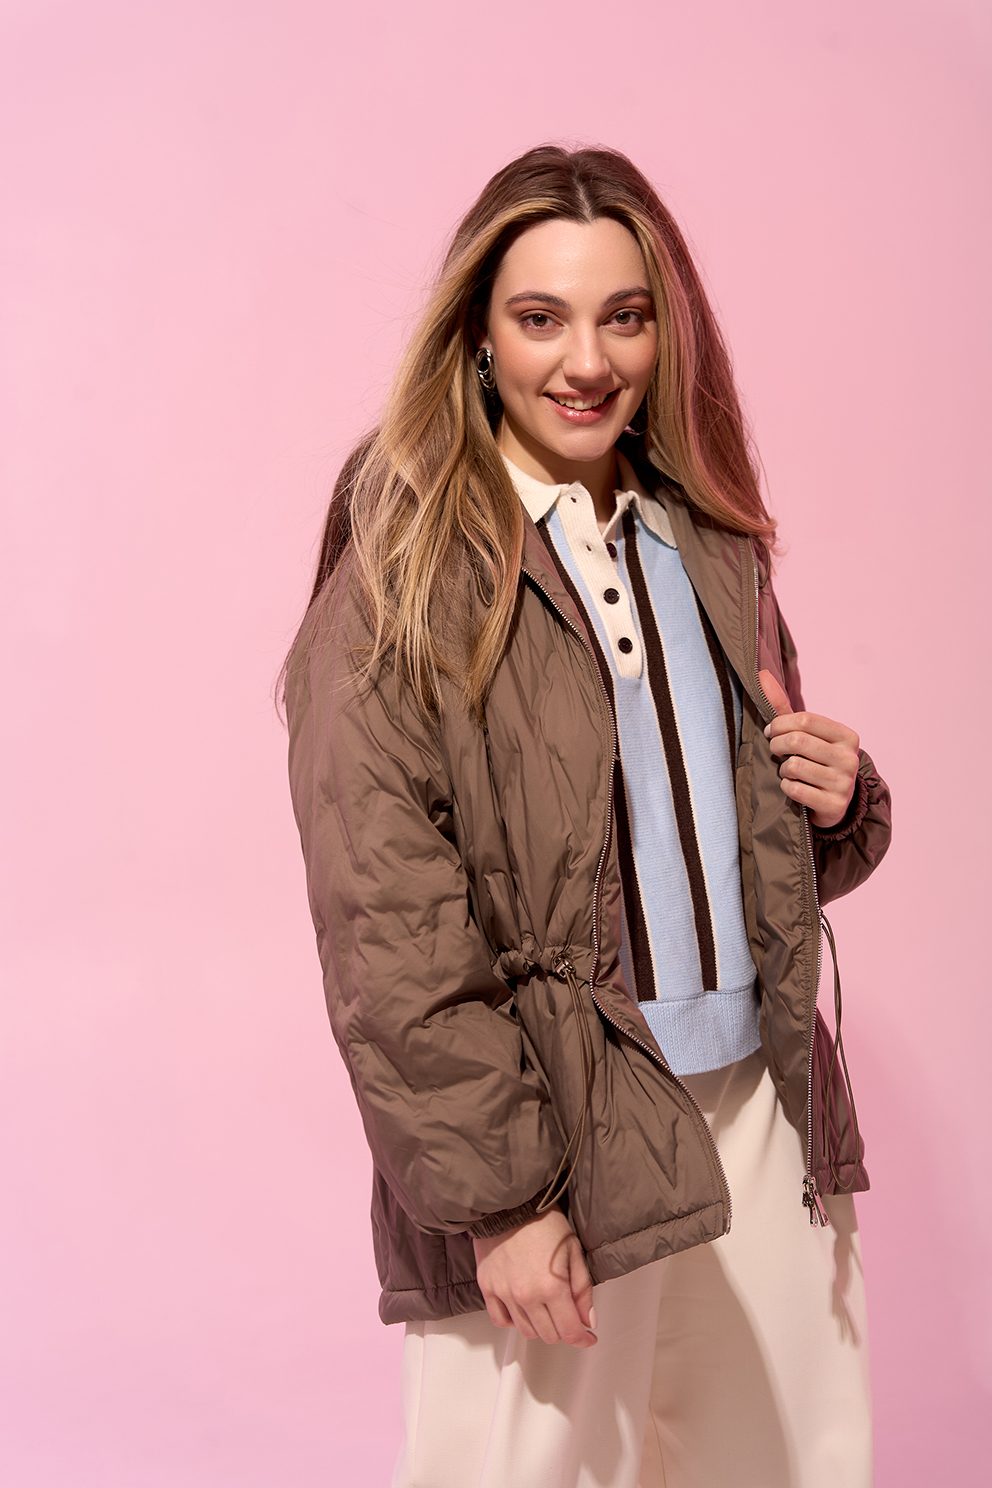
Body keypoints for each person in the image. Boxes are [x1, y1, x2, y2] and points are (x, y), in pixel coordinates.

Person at [284, 145, 891, 1488]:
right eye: (540, 317)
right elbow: (387, 925)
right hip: (556, 1126)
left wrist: (834, 798)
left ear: (668, 331)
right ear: (479, 336)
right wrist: (499, 1200)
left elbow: (712, 838)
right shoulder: (409, 566)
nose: (588, 361)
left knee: (790, 1468)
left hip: (757, 1106)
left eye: (624, 315)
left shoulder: (707, 538)